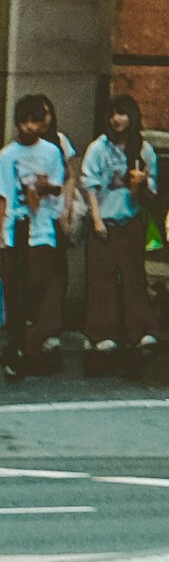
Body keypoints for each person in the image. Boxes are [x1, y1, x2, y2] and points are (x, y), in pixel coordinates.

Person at [75, 94, 156, 374]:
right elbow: (90, 186)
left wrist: (141, 184)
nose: (117, 119)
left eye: (122, 113)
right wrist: (97, 220)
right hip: (104, 221)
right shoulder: (99, 148)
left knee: (135, 279)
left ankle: (140, 332)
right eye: (112, 114)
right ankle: (100, 333)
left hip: (131, 221)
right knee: (102, 281)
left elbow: (152, 192)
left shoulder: (143, 149)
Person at [2, 91, 72, 374]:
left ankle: (33, 340)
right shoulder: (7, 155)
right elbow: (4, 195)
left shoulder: (51, 151)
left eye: (35, 121)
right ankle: (16, 347)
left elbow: (59, 187)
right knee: (14, 286)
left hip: (42, 228)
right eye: (25, 121)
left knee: (38, 283)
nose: (29, 127)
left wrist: (46, 191)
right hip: (14, 227)